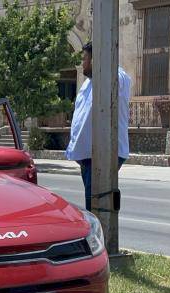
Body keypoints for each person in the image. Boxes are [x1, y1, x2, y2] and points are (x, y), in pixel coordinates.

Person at [66, 42, 131, 212]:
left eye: (85, 59)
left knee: (96, 208)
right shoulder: (88, 83)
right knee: (93, 206)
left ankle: (101, 237)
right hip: (87, 156)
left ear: (96, 60)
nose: (83, 64)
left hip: (102, 154)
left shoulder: (117, 76)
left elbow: (117, 81)